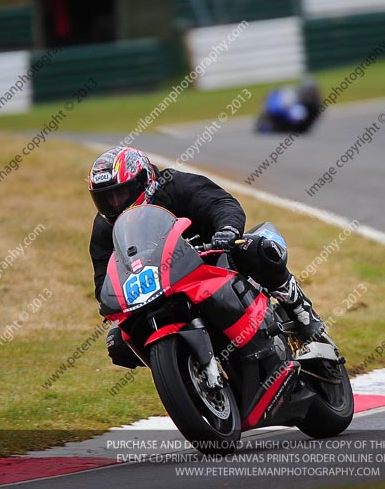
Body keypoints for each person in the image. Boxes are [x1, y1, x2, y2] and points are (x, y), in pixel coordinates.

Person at [88, 146, 326, 366]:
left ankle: (305, 318)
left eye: (121, 194)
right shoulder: (104, 229)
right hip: (160, 288)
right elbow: (103, 277)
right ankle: (185, 370)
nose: (115, 204)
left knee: (256, 248)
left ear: (144, 181)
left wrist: (227, 230)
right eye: (106, 198)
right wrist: (109, 300)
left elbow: (220, 203)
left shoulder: (176, 185)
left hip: (212, 261)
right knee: (117, 342)